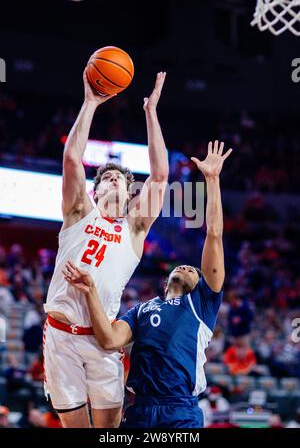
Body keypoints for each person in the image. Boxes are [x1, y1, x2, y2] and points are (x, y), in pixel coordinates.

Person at [62, 141, 232, 428]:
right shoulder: (141, 310)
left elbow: (214, 234)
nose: (189, 267)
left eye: (196, 271)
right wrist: (90, 292)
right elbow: (109, 340)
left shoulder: (202, 302)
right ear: (166, 280)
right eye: (185, 267)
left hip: (180, 409)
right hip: (140, 409)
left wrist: (212, 180)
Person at [43, 70, 169, 428]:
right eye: (106, 177)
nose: (114, 179)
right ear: (95, 191)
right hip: (60, 336)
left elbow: (159, 177)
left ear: (131, 194)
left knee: (110, 433)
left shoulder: (134, 228)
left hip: (102, 340)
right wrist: (90, 102)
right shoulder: (78, 211)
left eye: (121, 178)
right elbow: (71, 160)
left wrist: (151, 112)